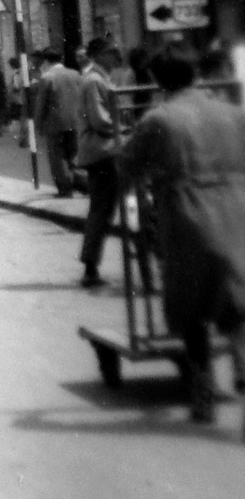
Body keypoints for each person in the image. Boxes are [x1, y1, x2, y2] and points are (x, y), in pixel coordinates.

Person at [119, 46, 245, 433]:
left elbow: (127, 165)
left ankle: (203, 396)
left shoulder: (159, 118)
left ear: (158, 81)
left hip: (188, 214)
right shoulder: (233, 112)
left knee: (192, 306)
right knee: (236, 296)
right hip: (237, 209)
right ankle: (242, 368)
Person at [75, 38, 122, 288]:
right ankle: (90, 268)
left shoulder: (101, 77)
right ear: (98, 55)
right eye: (111, 52)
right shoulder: (94, 80)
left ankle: (91, 266)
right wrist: (125, 130)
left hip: (104, 150)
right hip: (102, 151)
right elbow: (100, 120)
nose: (116, 56)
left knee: (103, 209)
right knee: (101, 210)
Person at [35, 49, 83, 197]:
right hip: (75, 120)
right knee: (74, 153)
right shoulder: (75, 74)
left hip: (55, 122)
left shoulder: (47, 77)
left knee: (57, 156)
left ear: (46, 61)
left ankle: (65, 188)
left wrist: (38, 124)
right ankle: (81, 183)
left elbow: (41, 104)